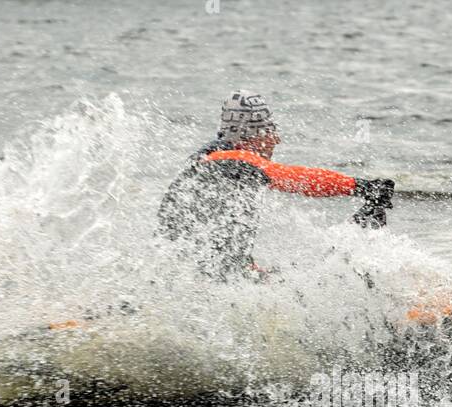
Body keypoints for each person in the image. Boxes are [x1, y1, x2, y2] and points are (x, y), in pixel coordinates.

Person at [156, 91, 395, 279]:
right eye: (270, 131)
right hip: (203, 286)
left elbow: (221, 251)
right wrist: (361, 187)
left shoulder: (213, 163)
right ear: (249, 136)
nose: (276, 139)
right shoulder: (232, 160)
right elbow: (293, 178)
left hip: (198, 279)